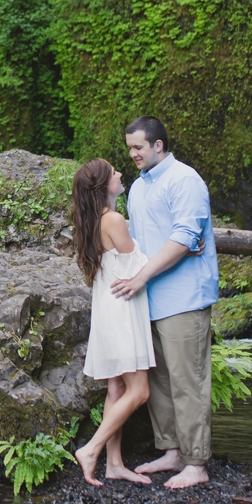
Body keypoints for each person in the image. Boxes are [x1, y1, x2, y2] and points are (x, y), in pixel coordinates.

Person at [110, 115, 219, 490]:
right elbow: (139, 242)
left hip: (184, 296)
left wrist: (145, 274)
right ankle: (171, 450)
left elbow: (187, 234)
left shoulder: (184, 180)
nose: (133, 155)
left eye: (138, 147)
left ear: (158, 145)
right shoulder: (139, 188)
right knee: (159, 379)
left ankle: (195, 462)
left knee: (188, 379)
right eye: (129, 149)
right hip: (149, 298)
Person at [71, 158, 155, 486]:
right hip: (122, 312)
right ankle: (91, 449)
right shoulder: (114, 220)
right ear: (103, 186)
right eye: (114, 173)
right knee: (140, 391)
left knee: (117, 387)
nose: (120, 174)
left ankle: (115, 463)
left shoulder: (91, 221)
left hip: (108, 310)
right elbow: (140, 264)